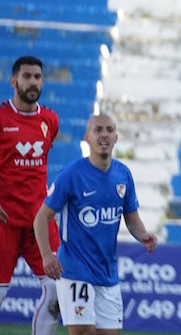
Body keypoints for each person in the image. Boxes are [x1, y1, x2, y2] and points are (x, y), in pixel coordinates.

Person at [32, 113, 157, 335]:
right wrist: (46, 255)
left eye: (109, 130)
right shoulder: (71, 175)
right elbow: (41, 217)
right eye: (98, 130)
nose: (104, 134)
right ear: (86, 137)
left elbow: (131, 217)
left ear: (116, 137)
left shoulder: (123, 175)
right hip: (74, 268)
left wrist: (143, 235)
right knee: (84, 332)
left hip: (107, 273)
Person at [0, 55, 61, 334]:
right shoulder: (1, 119)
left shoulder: (50, 120)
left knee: (59, 291)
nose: (33, 82)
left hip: (40, 222)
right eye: (27, 76)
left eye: (37, 76)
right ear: (13, 81)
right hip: (4, 223)